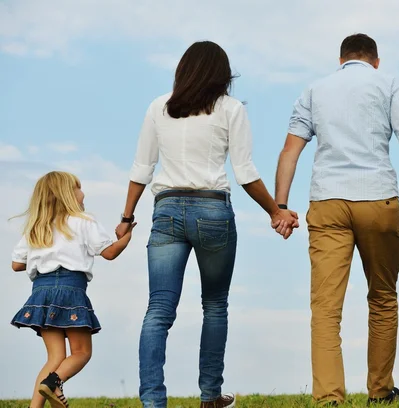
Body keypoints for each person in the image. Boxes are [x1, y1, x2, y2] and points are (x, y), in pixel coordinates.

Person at [115, 41, 298, 408]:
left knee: (158, 310)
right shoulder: (230, 109)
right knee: (214, 305)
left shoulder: (159, 107)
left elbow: (142, 167)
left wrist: (126, 217)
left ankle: (153, 402)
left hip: (166, 211)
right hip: (212, 211)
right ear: (221, 74)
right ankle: (210, 396)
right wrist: (276, 212)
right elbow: (245, 172)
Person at [274, 33, 399, 406]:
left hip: (328, 201)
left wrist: (280, 206)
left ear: (341, 59)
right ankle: (380, 391)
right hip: (378, 197)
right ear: (375, 61)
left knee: (326, 308)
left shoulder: (315, 90)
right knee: (382, 298)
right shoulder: (389, 83)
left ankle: (329, 398)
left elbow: (290, 150)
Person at [10, 171, 136, 408]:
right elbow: (109, 252)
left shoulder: (36, 227)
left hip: (41, 293)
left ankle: (35, 406)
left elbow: (16, 264)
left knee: (55, 357)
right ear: (67, 194)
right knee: (81, 353)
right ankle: (54, 382)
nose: (83, 192)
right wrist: (126, 237)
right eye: (78, 188)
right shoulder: (83, 221)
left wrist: (44, 254)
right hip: (70, 290)